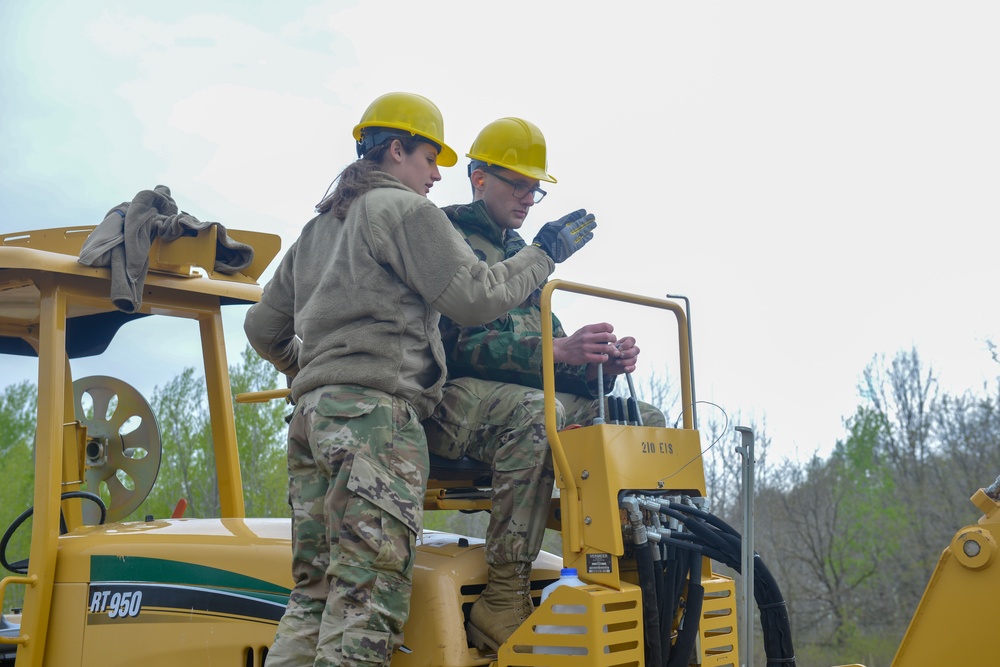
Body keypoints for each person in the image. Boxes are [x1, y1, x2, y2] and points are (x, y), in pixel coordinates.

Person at [244, 94, 597, 667]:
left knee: (313, 599)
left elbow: (262, 327)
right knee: (368, 603)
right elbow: (475, 298)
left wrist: (316, 373)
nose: (437, 175)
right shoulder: (405, 212)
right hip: (375, 426)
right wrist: (544, 254)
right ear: (395, 150)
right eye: (430, 158)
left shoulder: (318, 229)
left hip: (312, 422)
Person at [422, 117, 666, 652]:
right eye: (518, 183)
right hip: (446, 399)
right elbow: (453, 345)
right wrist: (555, 352)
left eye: (536, 187)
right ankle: (503, 597)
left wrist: (595, 362)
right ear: (478, 177)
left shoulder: (524, 257)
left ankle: (635, 574)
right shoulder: (440, 235)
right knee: (539, 413)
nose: (529, 197)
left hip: (518, 395)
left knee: (639, 419)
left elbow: (549, 346)